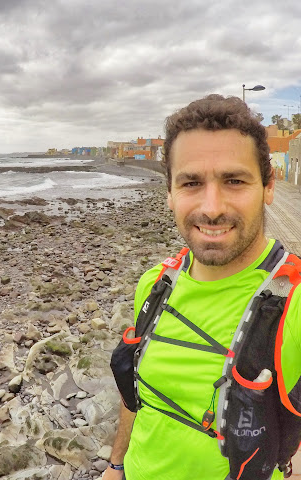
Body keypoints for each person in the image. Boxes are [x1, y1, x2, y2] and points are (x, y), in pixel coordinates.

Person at [105, 94, 301, 480]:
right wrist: (115, 466)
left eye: (234, 180)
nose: (212, 207)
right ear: (170, 193)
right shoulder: (156, 284)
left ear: (268, 186)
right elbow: (137, 395)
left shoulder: (294, 302)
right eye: (191, 182)